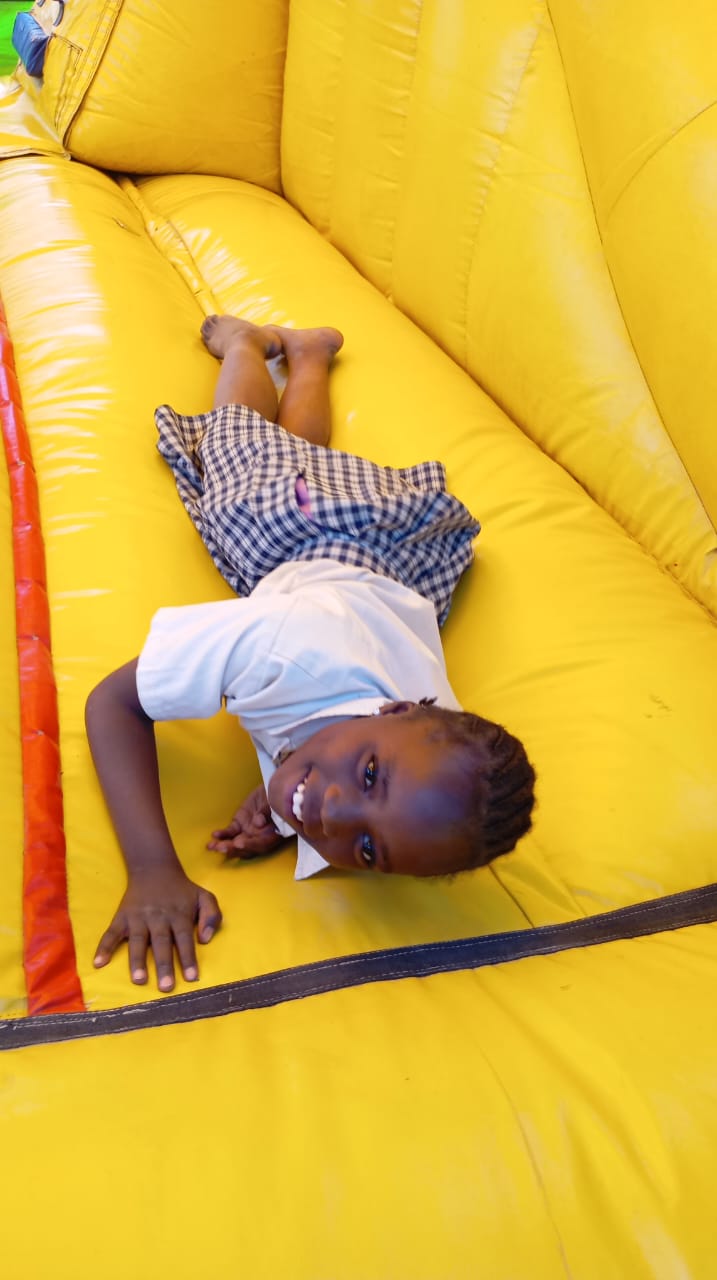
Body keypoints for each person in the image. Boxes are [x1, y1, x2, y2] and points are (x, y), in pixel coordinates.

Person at [86, 316, 535, 993]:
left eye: (364, 849)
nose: (328, 814)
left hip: (399, 573)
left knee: (297, 456)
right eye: (368, 775)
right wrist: (153, 869)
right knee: (237, 445)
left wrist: (278, 805)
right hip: (302, 537)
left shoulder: (430, 741)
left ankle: (309, 356)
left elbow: (346, 762)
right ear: (393, 707)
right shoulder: (280, 644)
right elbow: (114, 703)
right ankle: (245, 346)